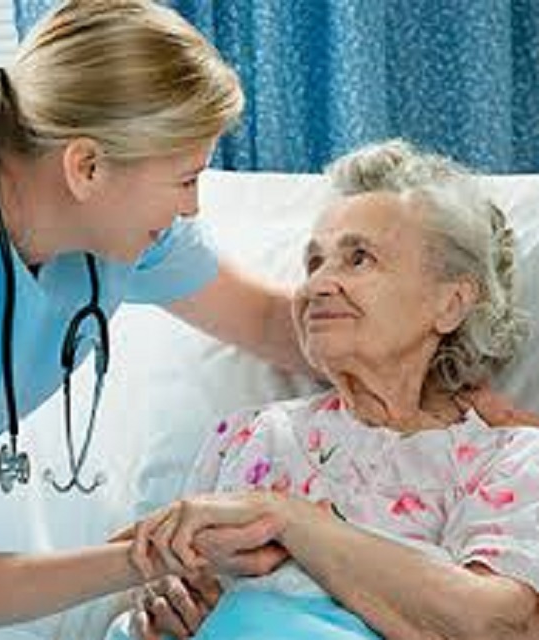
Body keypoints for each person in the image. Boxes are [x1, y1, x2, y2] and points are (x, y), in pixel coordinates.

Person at [0, 1, 313, 637]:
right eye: (186, 179)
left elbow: (269, 324)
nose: (193, 208)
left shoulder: (115, 230)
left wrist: (444, 367)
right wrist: (158, 553)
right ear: (86, 165)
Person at [114, 140, 539, 639]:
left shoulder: (508, 457)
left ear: (450, 303)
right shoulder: (249, 435)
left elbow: (498, 625)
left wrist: (290, 520)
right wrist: (159, 597)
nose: (317, 286)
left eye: (359, 259)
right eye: (314, 263)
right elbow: (163, 585)